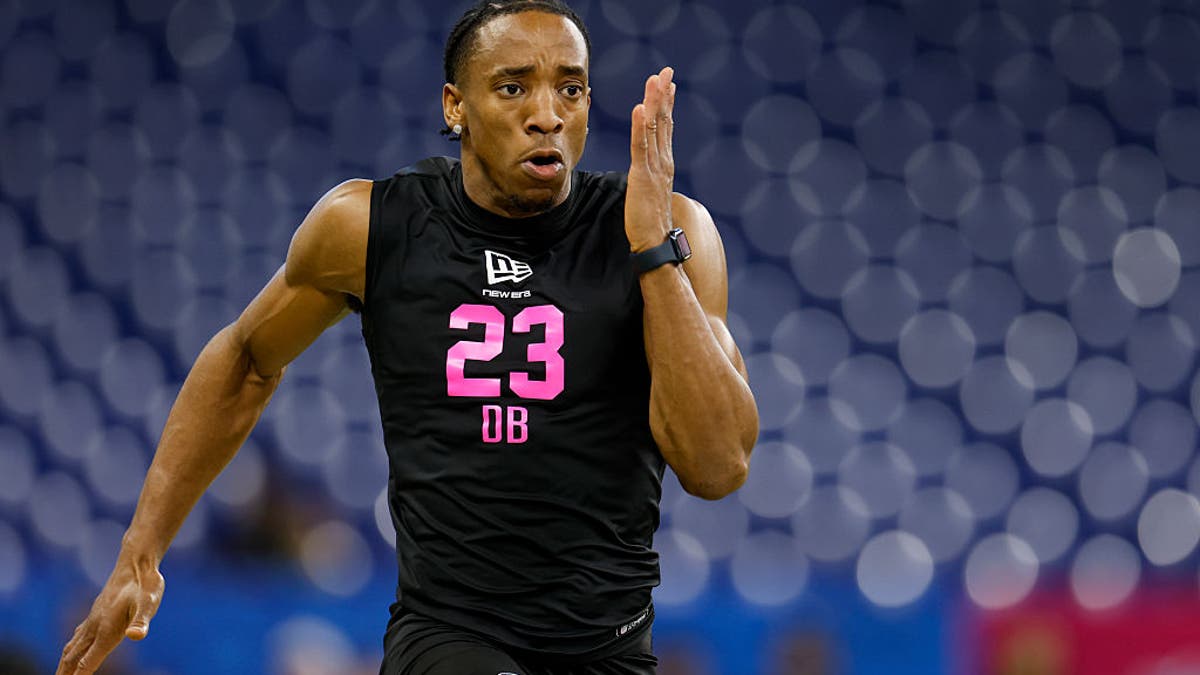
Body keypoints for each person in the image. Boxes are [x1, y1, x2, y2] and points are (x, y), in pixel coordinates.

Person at [56, 1, 758, 673]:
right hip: (450, 635)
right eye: (513, 88)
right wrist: (140, 552)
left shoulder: (674, 231)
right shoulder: (369, 226)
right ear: (455, 107)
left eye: (569, 90)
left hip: (611, 641)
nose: (546, 115)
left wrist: (651, 254)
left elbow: (717, 466)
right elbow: (243, 360)